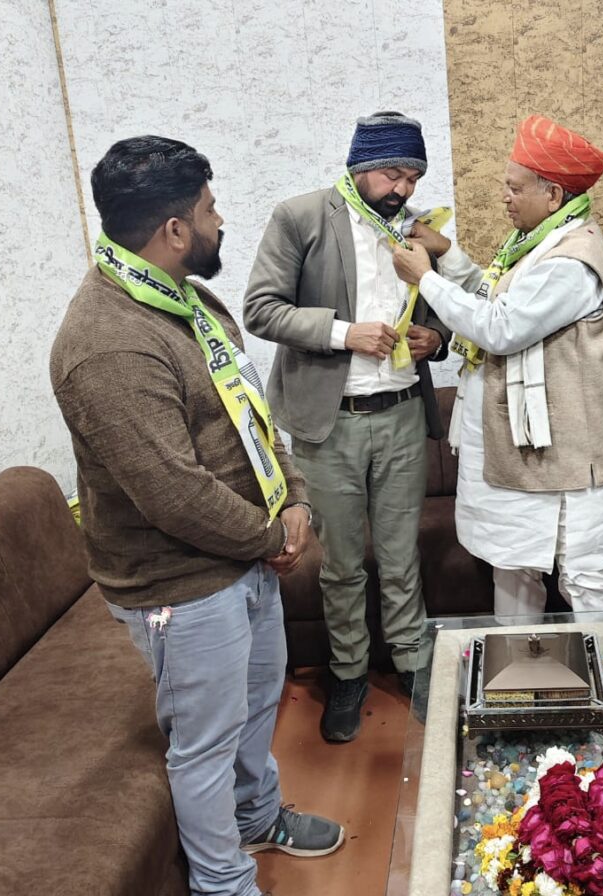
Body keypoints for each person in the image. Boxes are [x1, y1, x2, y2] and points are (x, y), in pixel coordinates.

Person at [51, 136, 343, 896]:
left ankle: (258, 817)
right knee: (205, 746)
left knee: (256, 706)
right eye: (211, 210)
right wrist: (271, 536)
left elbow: (251, 412)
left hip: (244, 558)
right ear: (175, 229)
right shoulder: (108, 342)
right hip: (178, 583)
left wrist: (292, 498)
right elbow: (171, 491)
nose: (222, 221)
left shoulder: (188, 301)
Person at [244, 112, 449, 743]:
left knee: (400, 554)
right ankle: (349, 671)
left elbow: (441, 308)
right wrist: (343, 333)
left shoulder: (417, 229)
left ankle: (412, 662)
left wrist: (435, 339)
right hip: (328, 423)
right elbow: (260, 309)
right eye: (392, 174)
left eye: (413, 177)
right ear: (360, 167)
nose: (403, 189)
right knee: (339, 564)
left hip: (402, 414)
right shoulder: (301, 217)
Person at [392, 115, 603, 619]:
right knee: (513, 565)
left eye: (515, 188)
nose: (505, 197)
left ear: (554, 195)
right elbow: (494, 295)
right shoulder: (534, 247)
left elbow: (500, 326)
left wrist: (426, 278)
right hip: (526, 457)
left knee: (583, 577)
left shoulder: (572, 261)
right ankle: (520, 664)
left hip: (569, 461)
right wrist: (446, 253)